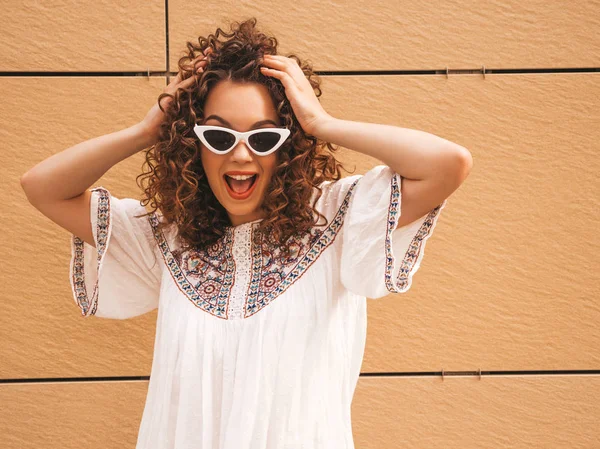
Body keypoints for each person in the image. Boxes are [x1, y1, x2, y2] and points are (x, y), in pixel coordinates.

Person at [20, 17, 471, 449]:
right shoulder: (166, 242)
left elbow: (448, 165)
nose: (239, 155)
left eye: (263, 138)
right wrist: (145, 130)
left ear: (289, 146)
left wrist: (321, 124)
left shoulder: (339, 218)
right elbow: (43, 188)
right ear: (190, 145)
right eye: (217, 138)